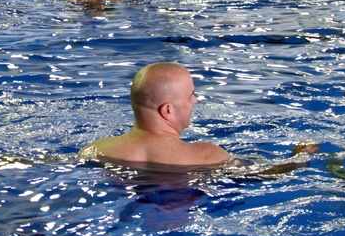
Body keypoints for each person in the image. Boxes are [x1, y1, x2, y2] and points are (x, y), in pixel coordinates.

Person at [79, 62, 232, 167]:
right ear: (168, 111)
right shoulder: (209, 157)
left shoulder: (95, 150)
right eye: (190, 95)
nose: (195, 100)